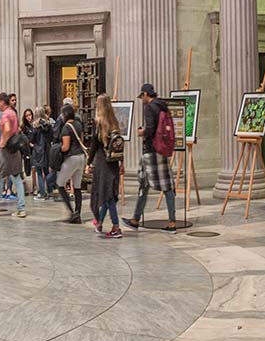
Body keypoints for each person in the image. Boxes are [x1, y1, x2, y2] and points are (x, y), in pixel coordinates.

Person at [124, 85, 178, 230]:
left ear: (146, 94)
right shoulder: (162, 106)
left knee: (145, 184)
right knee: (165, 185)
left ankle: (136, 219)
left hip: (150, 151)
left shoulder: (150, 108)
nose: (142, 100)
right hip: (161, 150)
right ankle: (170, 221)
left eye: (142, 97)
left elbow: (151, 129)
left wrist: (142, 132)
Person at [0, 92, 28, 217]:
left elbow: (8, 129)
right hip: (15, 150)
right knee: (16, 177)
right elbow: (18, 128)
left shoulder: (5, 114)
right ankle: (21, 208)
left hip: (6, 150)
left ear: (2, 102)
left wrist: (2, 142)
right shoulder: (13, 113)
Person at [89, 97, 125, 238]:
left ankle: (116, 226)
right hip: (114, 163)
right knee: (108, 194)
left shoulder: (98, 123)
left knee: (107, 196)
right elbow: (119, 146)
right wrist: (122, 163)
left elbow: (94, 145)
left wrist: (89, 162)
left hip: (102, 163)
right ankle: (99, 223)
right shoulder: (115, 122)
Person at [53, 100, 87, 224]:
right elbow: (81, 140)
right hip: (81, 157)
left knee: (60, 183)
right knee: (77, 186)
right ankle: (78, 213)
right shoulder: (78, 124)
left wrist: (58, 149)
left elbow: (66, 147)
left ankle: (71, 211)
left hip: (71, 158)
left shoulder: (66, 128)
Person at [29, 107, 55, 198]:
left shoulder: (35, 126)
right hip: (47, 150)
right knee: (47, 171)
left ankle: (42, 193)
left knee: (39, 172)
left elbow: (32, 139)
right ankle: (50, 191)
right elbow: (52, 137)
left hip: (38, 151)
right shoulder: (49, 125)